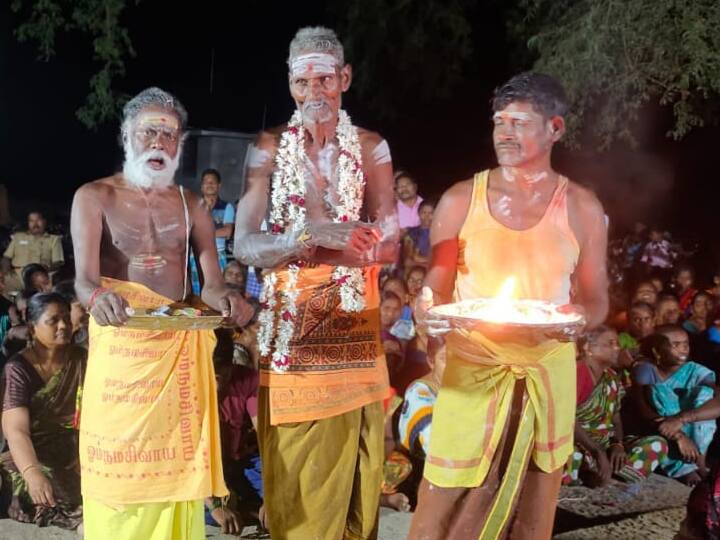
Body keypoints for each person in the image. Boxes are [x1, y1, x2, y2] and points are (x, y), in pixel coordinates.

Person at [408, 72, 609, 539]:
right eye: (500, 121)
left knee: (531, 502)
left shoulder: (580, 206)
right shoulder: (461, 199)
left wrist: (578, 321)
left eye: (519, 122)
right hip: (474, 368)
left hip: (545, 368)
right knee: (446, 495)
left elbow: (597, 300)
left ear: (554, 129)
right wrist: (426, 306)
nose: (505, 133)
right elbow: (437, 280)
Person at [233, 27, 398, 540]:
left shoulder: (372, 148)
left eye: (324, 79)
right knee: (298, 479)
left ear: (344, 78)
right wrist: (311, 236)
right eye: (302, 83)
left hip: (354, 334)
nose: (314, 94)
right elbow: (244, 245)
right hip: (293, 336)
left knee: (356, 478)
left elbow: (389, 242)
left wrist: (348, 244)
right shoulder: (266, 149)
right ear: (289, 85)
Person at [70, 87, 254, 539]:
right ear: (125, 135)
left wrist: (227, 298)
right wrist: (97, 300)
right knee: (117, 469)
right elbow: (84, 280)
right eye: (147, 130)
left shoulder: (192, 207)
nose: (158, 141)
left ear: (181, 142)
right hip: (122, 349)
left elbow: (208, 282)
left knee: (175, 476)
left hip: (176, 353)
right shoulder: (93, 197)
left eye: (169, 133)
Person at [0, 293, 85, 530]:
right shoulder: (18, 368)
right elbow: (15, 430)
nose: (63, 326)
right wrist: (32, 473)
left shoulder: (80, 358)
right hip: (29, 454)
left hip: (74, 450)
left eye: (67, 319)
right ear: (32, 327)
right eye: (53, 320)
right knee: (38, 486)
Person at [563, 326, 668, 487]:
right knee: (568, 456)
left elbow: (616, 419)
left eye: (617, 343)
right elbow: (567, 420)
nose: (617, 348)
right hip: (578, 443)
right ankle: (595, 470)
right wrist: (596, 451)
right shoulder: (577, 373)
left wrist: (616, 445)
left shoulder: (611, 377)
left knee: (657, 445)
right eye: (610, 343)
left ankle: (597, 471)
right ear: (588, 348)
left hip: (604, 444)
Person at [630, 325, 717, 485]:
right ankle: (681, 467)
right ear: (657, 351)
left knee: (705, 395)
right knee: (657, 392)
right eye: (675, 345)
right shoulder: (646, 369)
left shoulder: (695, 371)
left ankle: (699, 461)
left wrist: (681, 419)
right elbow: (643, 409)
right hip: (658, 428)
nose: (683, 349)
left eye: (685, 344)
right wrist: (678, 434)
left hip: (687, 428)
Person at [189, 168, 236, 295]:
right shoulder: (193, 206)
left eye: (213, 182)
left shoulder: (227, 207)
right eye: (206, 182)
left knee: (217, 292)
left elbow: (227, 232)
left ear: (219, 185)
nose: (209, 185)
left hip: (218, 255)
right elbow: (188, 230)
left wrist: (200, 235)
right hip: (196, 255)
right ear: (201, 186)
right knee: (197, 291)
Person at [2, 211, 64, 293]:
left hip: (39, 275)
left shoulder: (54, 239)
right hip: (16, 275)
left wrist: (48, 268)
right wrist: (5, 271)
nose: (35, 224)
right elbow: (6, 257)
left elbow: (58, 262)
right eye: (31, 221)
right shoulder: (18, 237)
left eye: (38, 220)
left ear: (44, 222)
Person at [403, 200, 434, 270]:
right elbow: (408, 260)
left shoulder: (439, 233)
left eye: (431, 213)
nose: (427, 216)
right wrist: (427, 261)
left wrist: (419, 260)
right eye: (424, 212)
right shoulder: (411, 233)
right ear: (418, 214)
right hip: (414, 270)